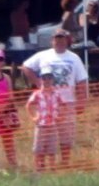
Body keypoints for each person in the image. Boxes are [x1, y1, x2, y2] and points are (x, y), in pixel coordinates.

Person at [21, 29, 88, 169]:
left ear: (67, 40)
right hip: (45, 102)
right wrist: (38, 83)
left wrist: (82, 100)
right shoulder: (43, 55)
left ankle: (65, 163)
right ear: (52, 41)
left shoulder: (74, 58)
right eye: (57, 39)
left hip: (67, 102)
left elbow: (82, 80)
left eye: (62, 39)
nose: (59, 41)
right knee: (44, 135)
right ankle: (41, 165)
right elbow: (26, 67)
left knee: (66, 135)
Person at [25, 69, 67, 172]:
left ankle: (52, 169)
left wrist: (61, 116)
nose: (47, 80)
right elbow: (28, 105)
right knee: (38, 148)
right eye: (44, 78)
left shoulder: (56, 93)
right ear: (40, 79)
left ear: (52, 80)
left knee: (52, 148)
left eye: (49, 78)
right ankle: (38, 169)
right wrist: (33, 117)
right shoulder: (37, 94)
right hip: (41, 124)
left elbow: (64, 105)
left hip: (52, 125)